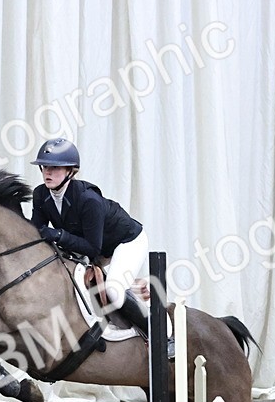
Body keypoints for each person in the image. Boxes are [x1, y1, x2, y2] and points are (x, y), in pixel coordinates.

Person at [30, 138, 171, 357]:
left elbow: (92, 249)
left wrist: (58, 234)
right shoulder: (40, 194)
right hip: (91, 244)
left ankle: (159, 336)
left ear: (70, 171)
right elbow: (36, 231)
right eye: (45, 167)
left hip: (125, 242)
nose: (47, 172)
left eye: (54, 167)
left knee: (114, 291)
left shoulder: (88, 200)